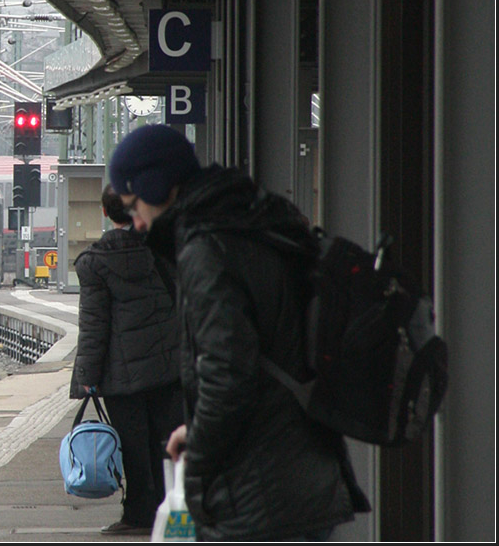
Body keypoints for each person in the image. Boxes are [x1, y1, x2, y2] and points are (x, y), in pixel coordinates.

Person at [106, 124, 369, 541]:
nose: (136, 223)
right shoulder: (246, 220)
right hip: (297, 467)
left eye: (133, 204)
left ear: (157, 187)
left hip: (258, 490)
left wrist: (198, 472)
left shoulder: (206, 249)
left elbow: (227, 375)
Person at [71, 184, 183, 536]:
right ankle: (173, 509)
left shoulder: (95, 263)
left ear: (105, 213)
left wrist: (86, 378)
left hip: (123, 374)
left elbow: (94, 326)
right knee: (167, 442)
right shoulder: (163, 250)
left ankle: (138, 515)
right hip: (168, 366)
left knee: (132, 446)